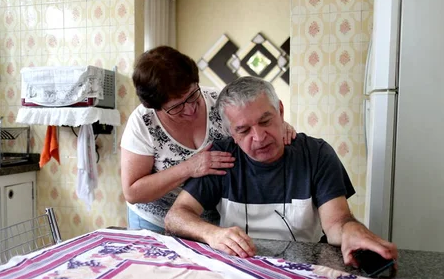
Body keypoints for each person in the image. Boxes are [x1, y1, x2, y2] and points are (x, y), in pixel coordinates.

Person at [164, 76, 398, 267]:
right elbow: (175, 217)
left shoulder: (317, 154)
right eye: (244, 130)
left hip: (305, 270)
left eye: (265, 121)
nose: (259, 137)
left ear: (281, 112)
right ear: (231, 134)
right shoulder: (220, 158)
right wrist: (212, 234)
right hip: (240, 270)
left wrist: (352, 231)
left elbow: (337, 222)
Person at [121, 46, 296, 234]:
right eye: (176, 107)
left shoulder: (217, 102)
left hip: (210, 220)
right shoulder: (143, 122)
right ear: (157, 107)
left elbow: (252, 124)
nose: (190, 109)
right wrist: (189, 167)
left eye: (192, 95)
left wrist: (277, 125)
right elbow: (132, 192)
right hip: (154, 221)